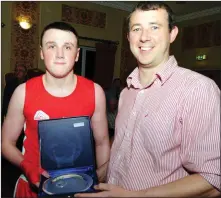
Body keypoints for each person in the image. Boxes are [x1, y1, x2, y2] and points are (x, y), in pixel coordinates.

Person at [75, 1, 220, 197]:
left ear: (172, 34)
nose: (144, 37)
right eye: (137, 29)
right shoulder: (127, 92)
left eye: (154, 27)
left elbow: (213, 180)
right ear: (128, 37)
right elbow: (127, 150)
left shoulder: (198, 90)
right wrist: (101, 174)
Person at [1, 21, 110, 197]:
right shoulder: (23, 92)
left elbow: (102, 141)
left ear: (77, 54)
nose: (59, 54)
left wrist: (102, 181)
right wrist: (28, 167)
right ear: (42, 52)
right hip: (30, 189)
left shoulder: (95, 92)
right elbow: (5, 143)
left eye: (67, 47)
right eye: (52, 46)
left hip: (79, 188)